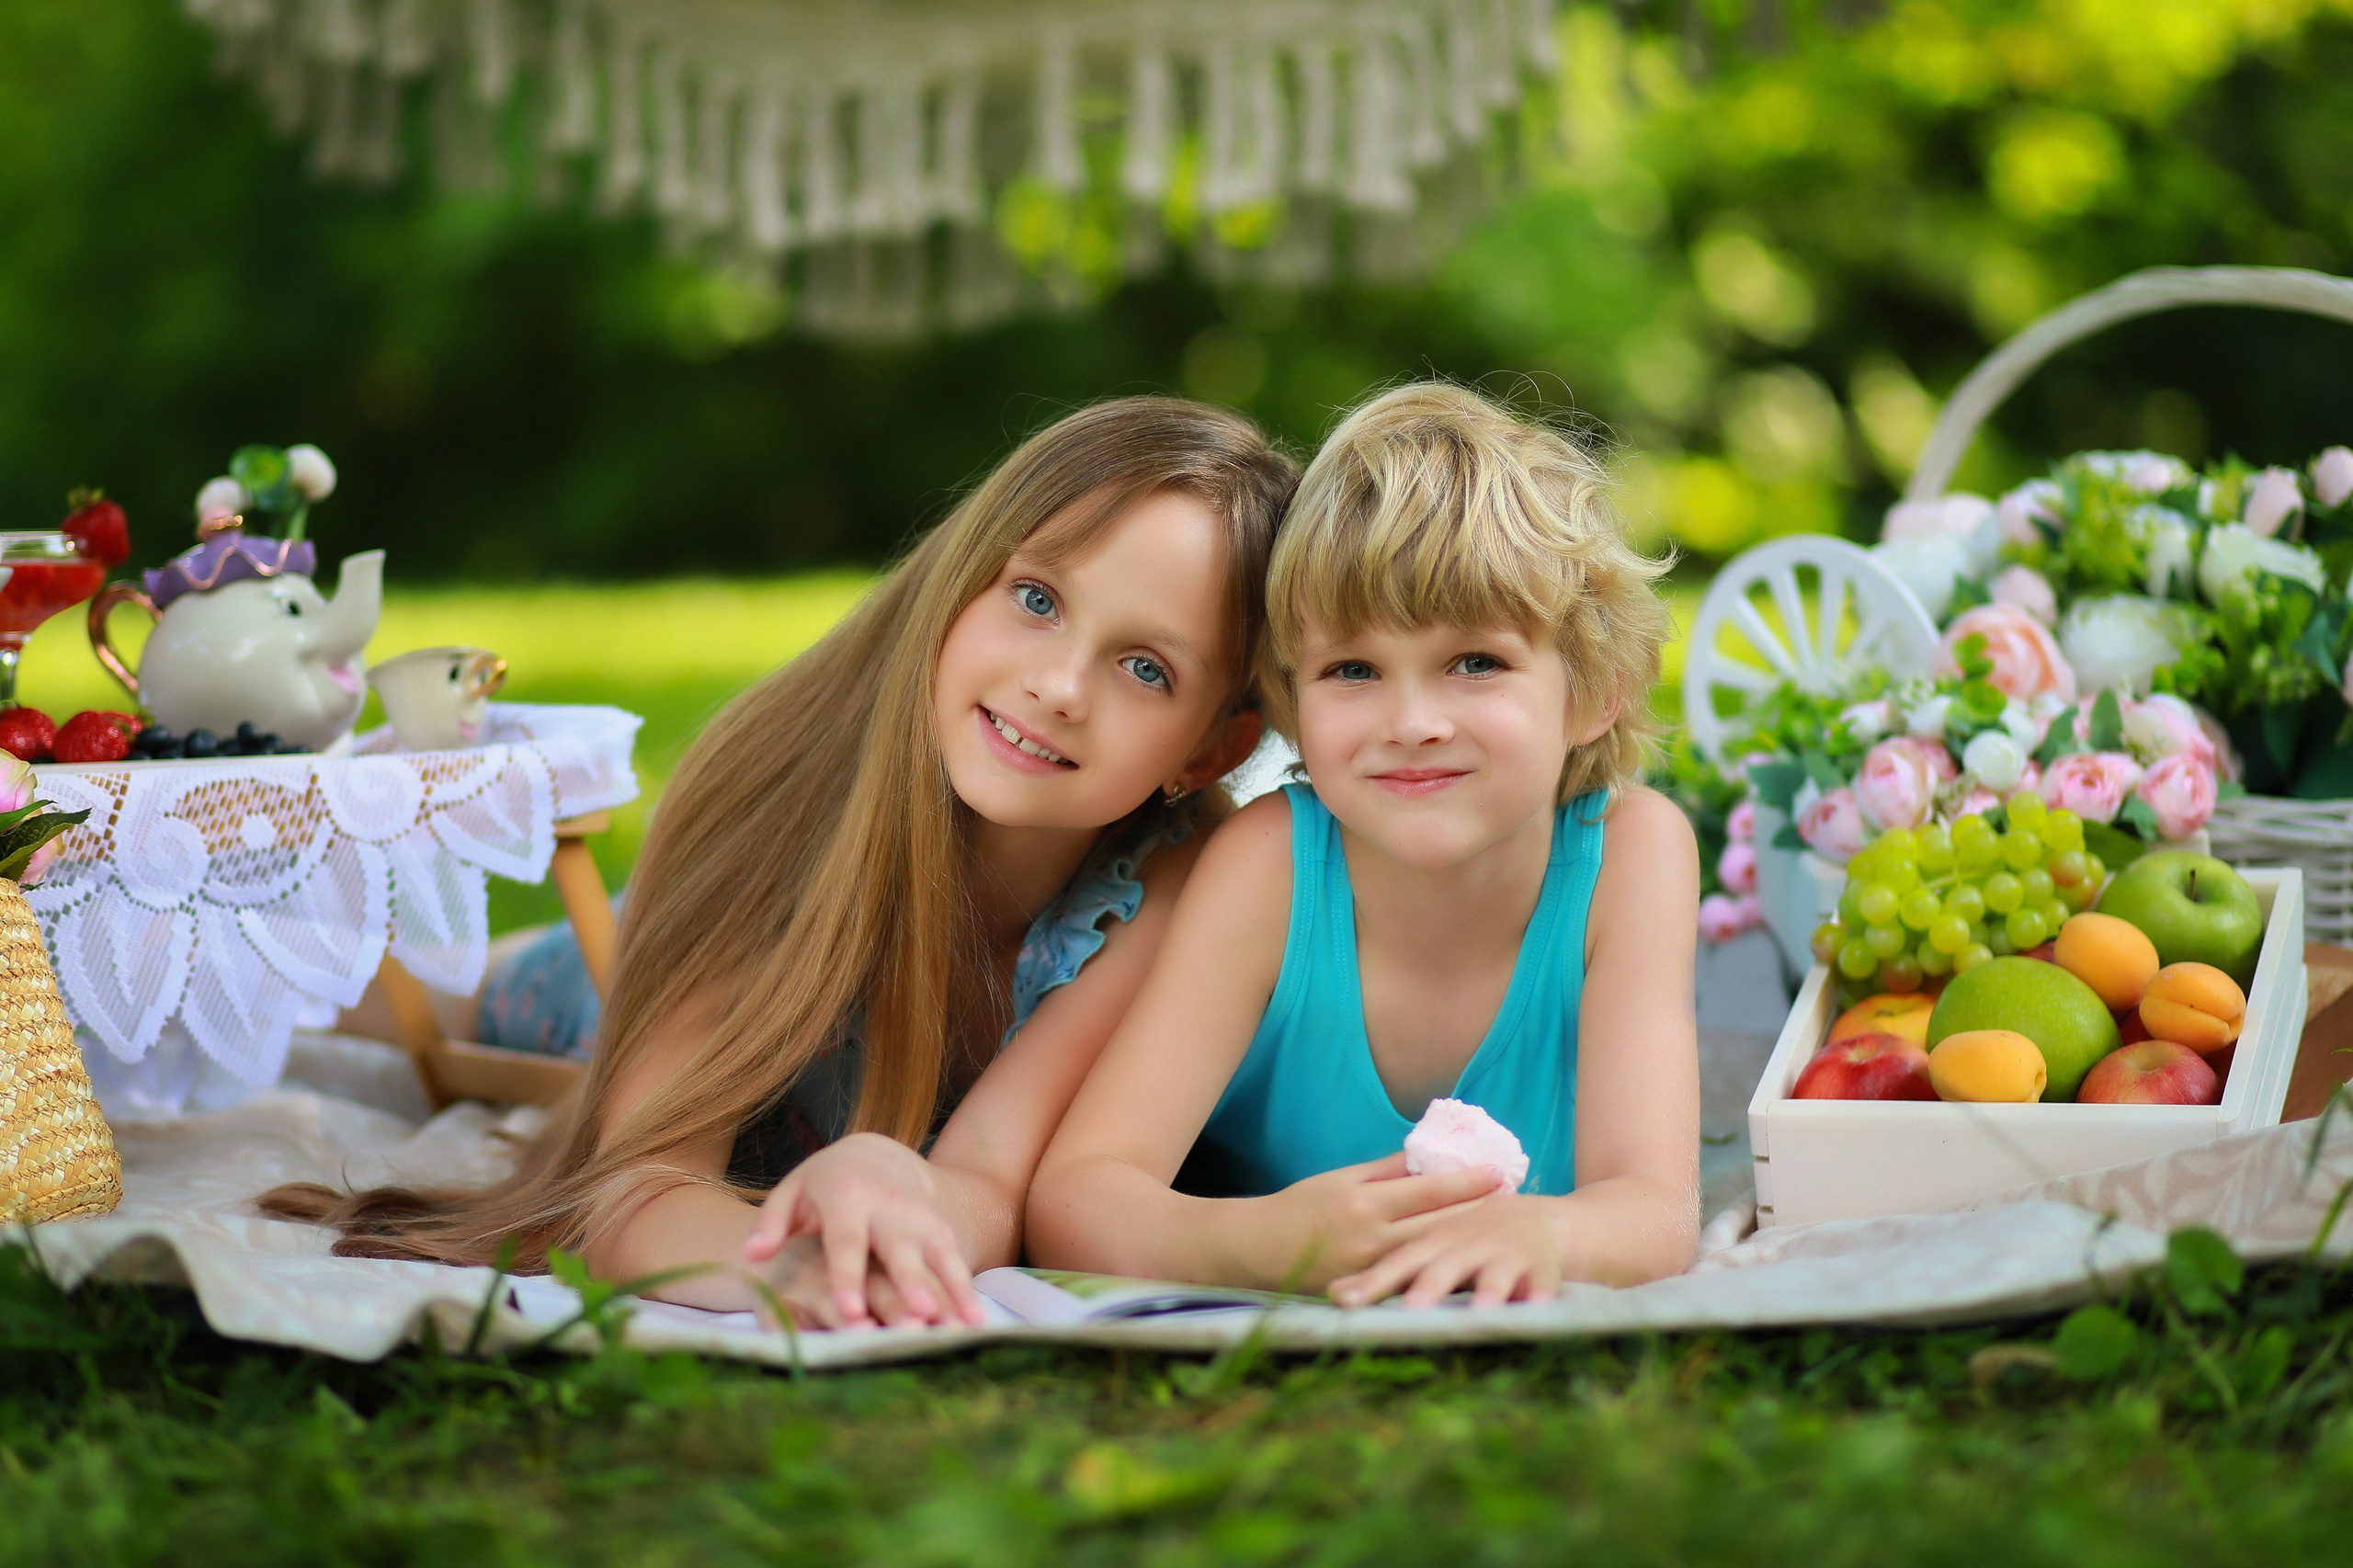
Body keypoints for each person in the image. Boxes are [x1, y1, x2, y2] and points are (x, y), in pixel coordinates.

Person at [266, 399, 1297, 1329]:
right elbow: (642, 1185)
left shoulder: (1174, 889)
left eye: (1145, 667)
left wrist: (896, 1215)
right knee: (391, 987)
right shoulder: (779, 788)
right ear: (961, 578)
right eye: (1036, 598)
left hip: (849, 1096)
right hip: (621, 968)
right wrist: (784, 1270)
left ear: (1209, 747)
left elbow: (986, 1173)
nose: (1061, 686)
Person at [1025, 383, 1700, 1307]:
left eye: (1476, 662)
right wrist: (1255, 1241)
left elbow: (1656, 1210)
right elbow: (1077, 1197)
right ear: (1294, 705)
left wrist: (1546, 1227)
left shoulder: (1631, 856)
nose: (1412, 721)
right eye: (1353, 669)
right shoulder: (1270, 864)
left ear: (1595, 690)